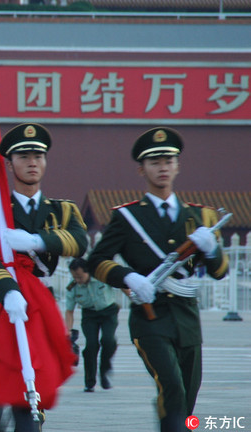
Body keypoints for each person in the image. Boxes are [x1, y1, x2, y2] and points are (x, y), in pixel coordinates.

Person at [88, 127, 229, 432]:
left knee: (187, 400)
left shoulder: (200, 216)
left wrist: (212, 249)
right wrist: (129, 277)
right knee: (173, 388)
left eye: (168, 160)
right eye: (154, 162)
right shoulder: (127, 218)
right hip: (150, 320)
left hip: (187, 319)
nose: (162, 167)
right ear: (141, 169)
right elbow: (96, 260)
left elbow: (220, 271)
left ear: (177, 165)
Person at [0, 123, 86, 431]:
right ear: (10, 164)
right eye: (24, 156)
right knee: (19, 391)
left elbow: (80, 241)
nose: (32, 162)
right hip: (9, 304)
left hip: (42, 303)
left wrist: (38, 241)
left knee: (39, 383)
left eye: (38, 155)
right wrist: (8, 290)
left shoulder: (61, 209)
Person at [64, 257, 119, 393]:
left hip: (108, 313)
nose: (77, 280)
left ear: (87, 272)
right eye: (75, 277)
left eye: (80, 276)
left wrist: (134, 297)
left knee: (108, 340)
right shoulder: (73, 287)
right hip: (89, 316)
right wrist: (68, 330)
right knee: (91, 346)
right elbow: (69, 311)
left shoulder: (101, 276)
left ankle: (104, 371)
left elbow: (122, 285)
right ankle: (89, 382)